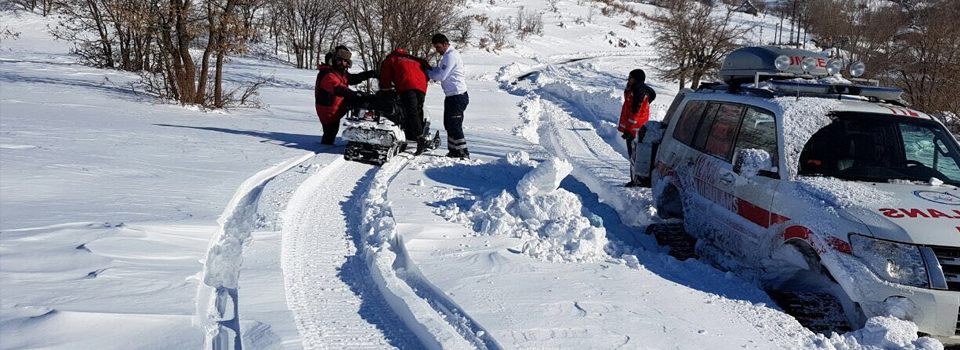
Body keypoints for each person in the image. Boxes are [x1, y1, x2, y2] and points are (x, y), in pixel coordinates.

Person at [315, 47, 378, 145]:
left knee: (360, 103)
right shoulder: (327, 74)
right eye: (340, 60)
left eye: (345, 61)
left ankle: (362, 128)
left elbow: (352, 79)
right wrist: (354, 94)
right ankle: (324, 149)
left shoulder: (340, 71)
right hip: (328, 109)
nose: (343, 63)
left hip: (337, 106)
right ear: (334, 60)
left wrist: (369, 74)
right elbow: (338, 89)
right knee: (329, 134)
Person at [380, 48, 432, 155]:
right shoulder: (415, 59)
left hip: (406, 85)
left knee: (410, 110)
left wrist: (386, 89)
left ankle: (419, 138)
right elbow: (428, 69)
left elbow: (385, 76)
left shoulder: (392, 59)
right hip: (421, 87)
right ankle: (416, 134)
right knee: (417, 110)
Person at [427, 34, 470, 159]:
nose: (437, 50)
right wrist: (431, 69)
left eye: (439, 47)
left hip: (457, 95)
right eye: (435, 47)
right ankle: (453, 151)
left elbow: (441, 76)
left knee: (455, 125)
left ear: (446, 43)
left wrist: (428, 73)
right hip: (451, 96)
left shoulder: (451, 56)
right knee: (448, 124)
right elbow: (441, 71)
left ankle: (463, 152)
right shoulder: (447, 56)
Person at [619, 68, 656, 187]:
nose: (628, 80)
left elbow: (636, 114)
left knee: (636, 156)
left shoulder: (640, 93)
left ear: (637, 80)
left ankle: (637, 181)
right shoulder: (633, 91)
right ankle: (634, 180)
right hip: (631, 129)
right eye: (628, 77)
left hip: (635, 130)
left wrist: (629, 130)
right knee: (632, 155)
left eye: (631, 78)